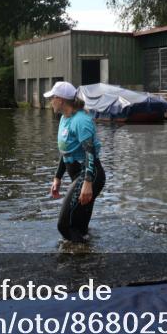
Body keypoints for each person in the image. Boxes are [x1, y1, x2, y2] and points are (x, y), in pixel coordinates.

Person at [46, 81, 106, 242]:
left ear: (60, 99)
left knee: (64, 226)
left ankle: (82, 256)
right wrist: (57, 177)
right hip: (80, 177)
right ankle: (86, 261)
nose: (50, 101)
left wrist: (87, 183)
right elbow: (66, 151)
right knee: (79, 227)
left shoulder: (81, 121)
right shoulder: (64, 119)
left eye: (52, 98)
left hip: (90, 176)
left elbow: (90, 153)